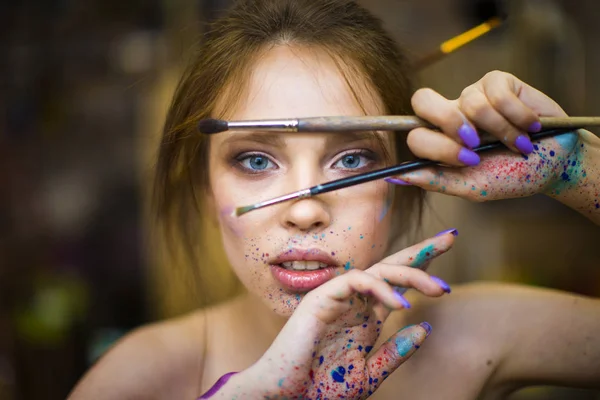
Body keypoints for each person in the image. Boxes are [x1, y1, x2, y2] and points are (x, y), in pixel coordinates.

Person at [69, 0, 600, 399]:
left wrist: (581, 173)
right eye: (255, 161)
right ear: (205, 187)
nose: (304, 211)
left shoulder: (476, 335)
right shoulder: (137, 378)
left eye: (353, 159)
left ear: (401, 177)